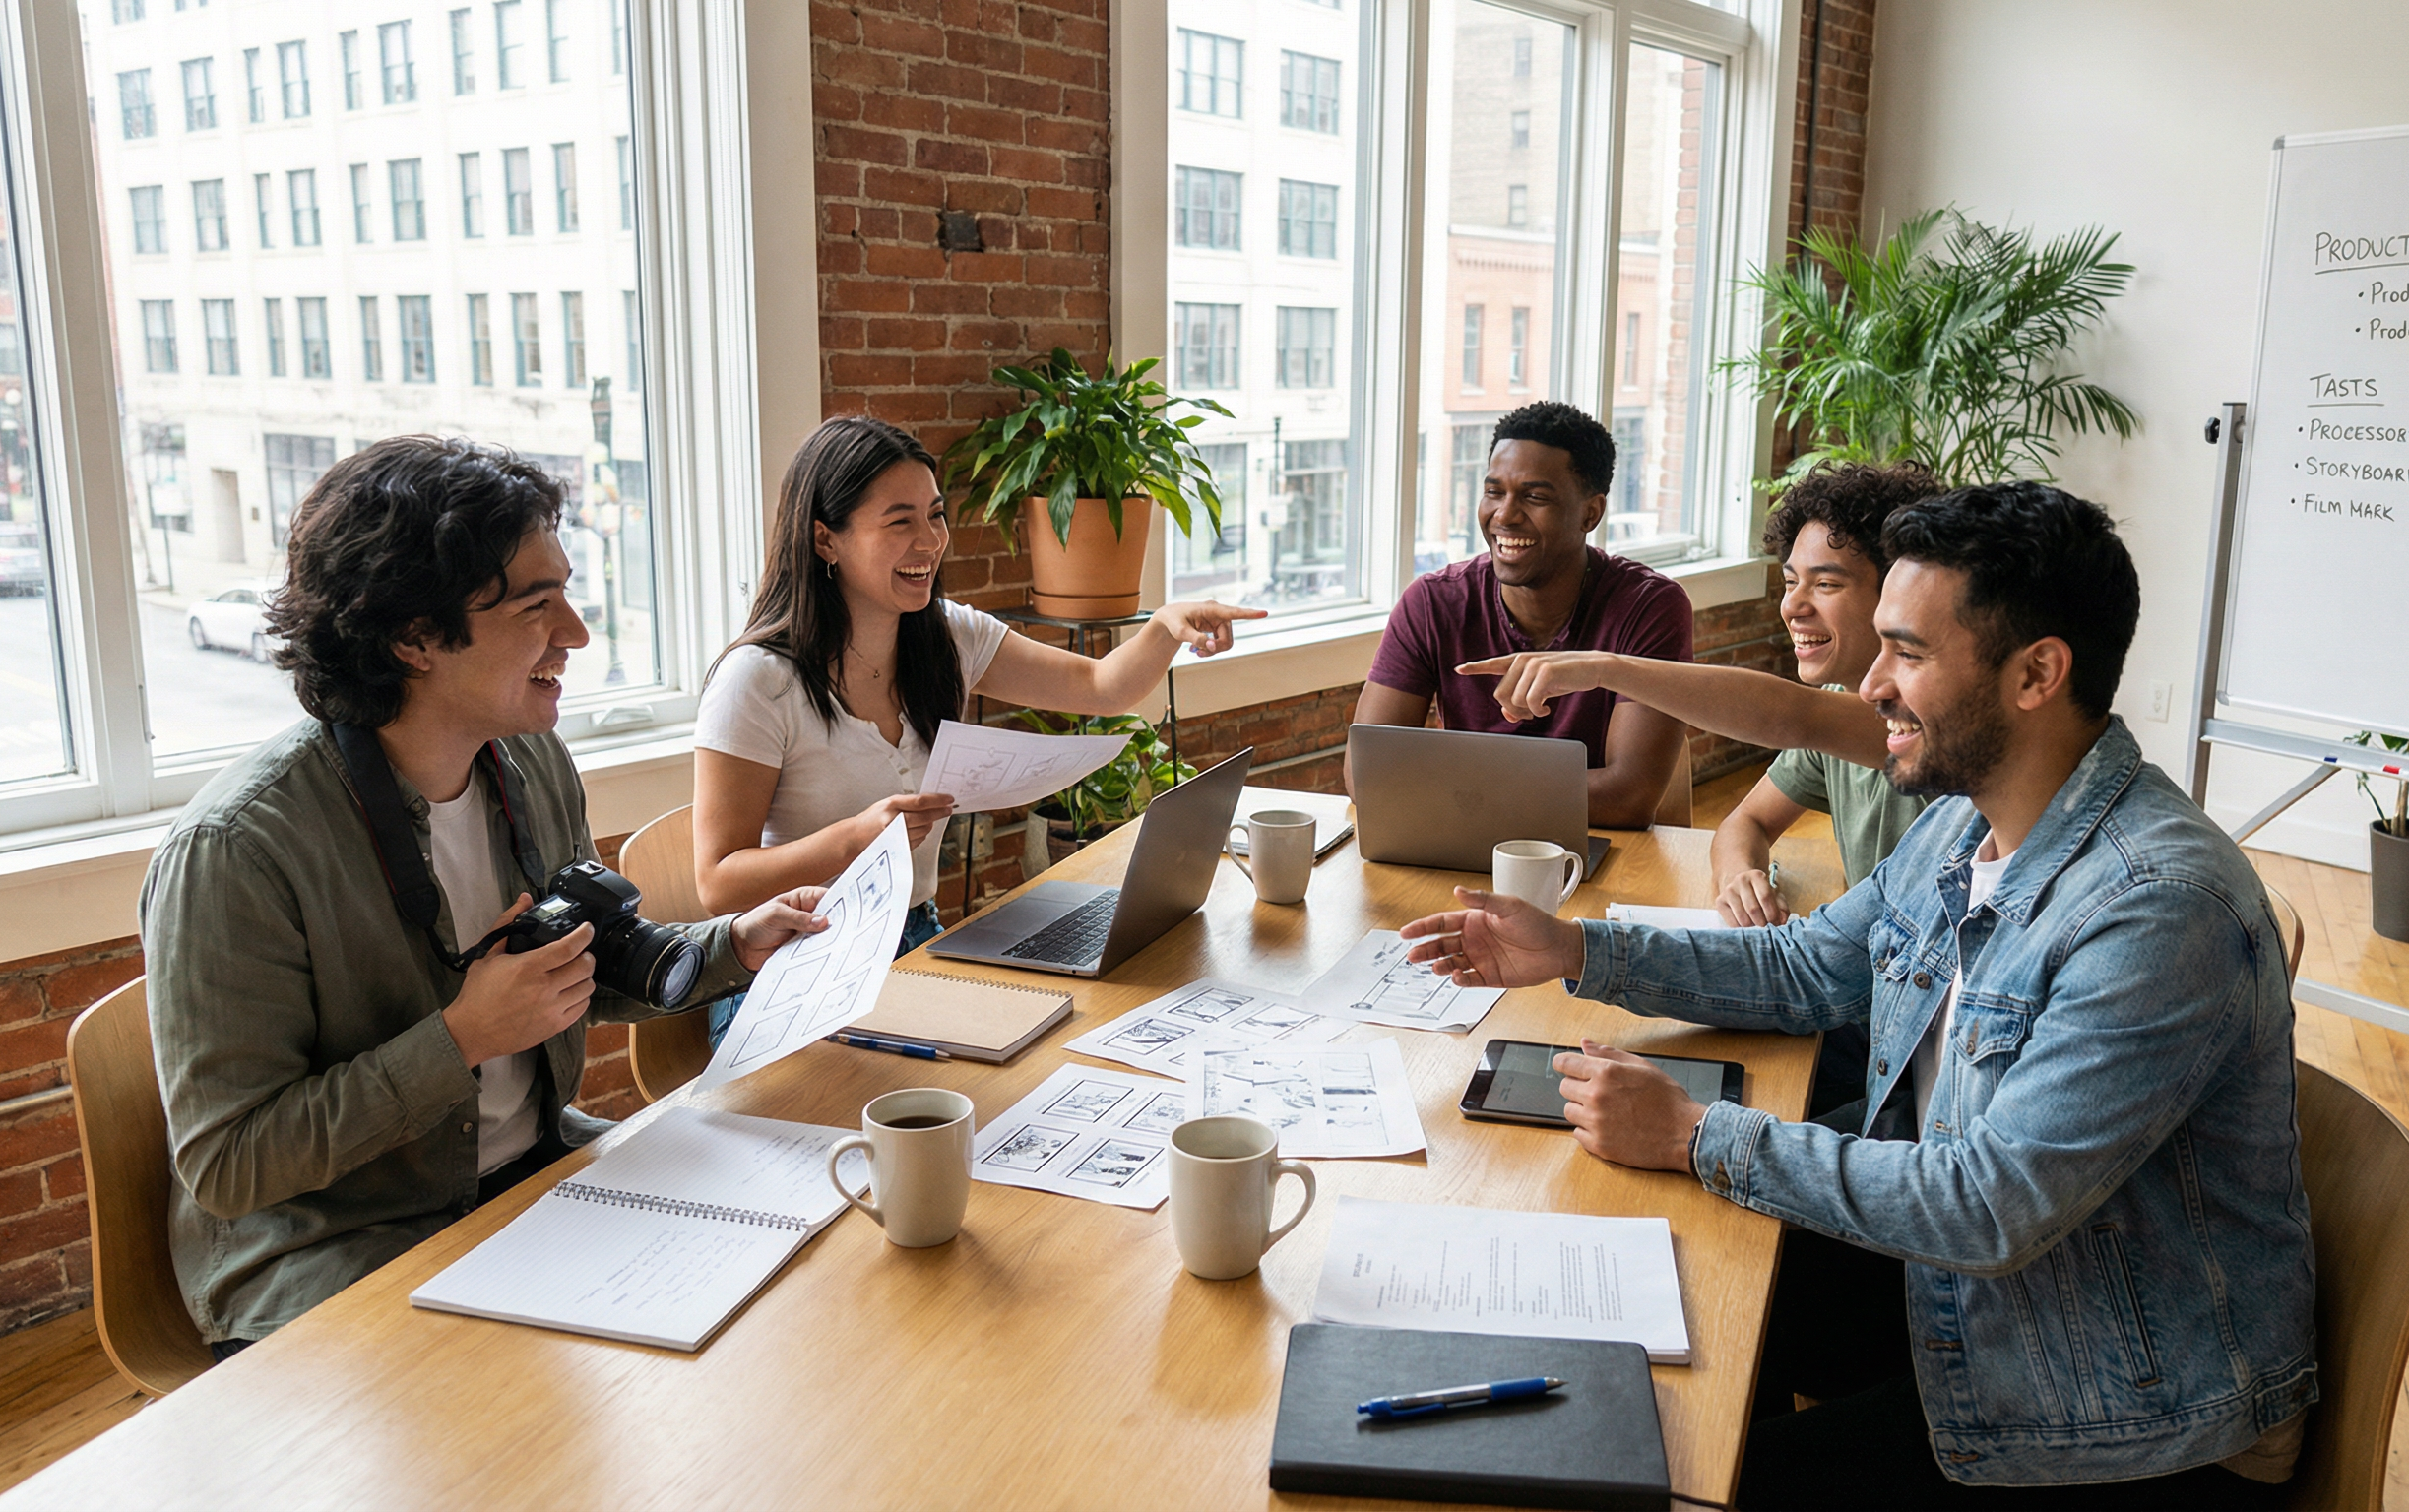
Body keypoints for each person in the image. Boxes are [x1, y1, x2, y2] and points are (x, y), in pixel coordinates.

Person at [1400, 482, 2314, 1507]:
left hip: (2113, 1408)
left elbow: (1989, 1206)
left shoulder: (2155, 909)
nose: (1872, 684)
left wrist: (1696, 1136)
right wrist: (1574, 946)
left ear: (2037, 674)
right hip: (1997, 1300)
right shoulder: (1965, 824)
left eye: (1908, 654)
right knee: (1639, 1323)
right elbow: (1804, 971)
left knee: (1689, 1472)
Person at [142, 436, 833, 1358]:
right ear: (412, 637)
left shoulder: (530, 758)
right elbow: (230, 1165)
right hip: (337, 1245)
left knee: (793, 1262)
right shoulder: (235, 853)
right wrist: (463, 1036)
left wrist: (730, 946)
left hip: (529, 1174)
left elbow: (576, 962)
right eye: (537, 606)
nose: (578, 633)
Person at [690, 416, 1264, 1038]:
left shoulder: (947, 636)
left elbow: (1104, 688)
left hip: (915, 939)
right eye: (900, 521)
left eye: (935, 516)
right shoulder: (757, 680)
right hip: (793, 963)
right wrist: (854, 838)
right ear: (826, 540)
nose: (930, 542)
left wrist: (1165, 625)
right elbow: (717, 884)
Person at [1461, 461, 1940, 1120]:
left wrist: (1604, 668)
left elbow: (1792, 715)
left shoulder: (1921, 730)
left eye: (1825, 584)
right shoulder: (1841, 704)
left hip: (1905, 1050)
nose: (1792, 607)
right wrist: (1737, 875)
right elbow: (1748, 830)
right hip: (1867, 1000)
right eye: (1790, 580)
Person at [1348, 402, 1692, 828]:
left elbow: (1628, 797)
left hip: (1591, 846)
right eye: (1494, 492)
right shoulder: (1434, 602)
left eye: (1534, 497)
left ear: (1591, 513)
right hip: (1464, 837)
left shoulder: (1649, 606)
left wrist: (1454, 787)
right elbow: (1367, 774)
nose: (1505, 515)